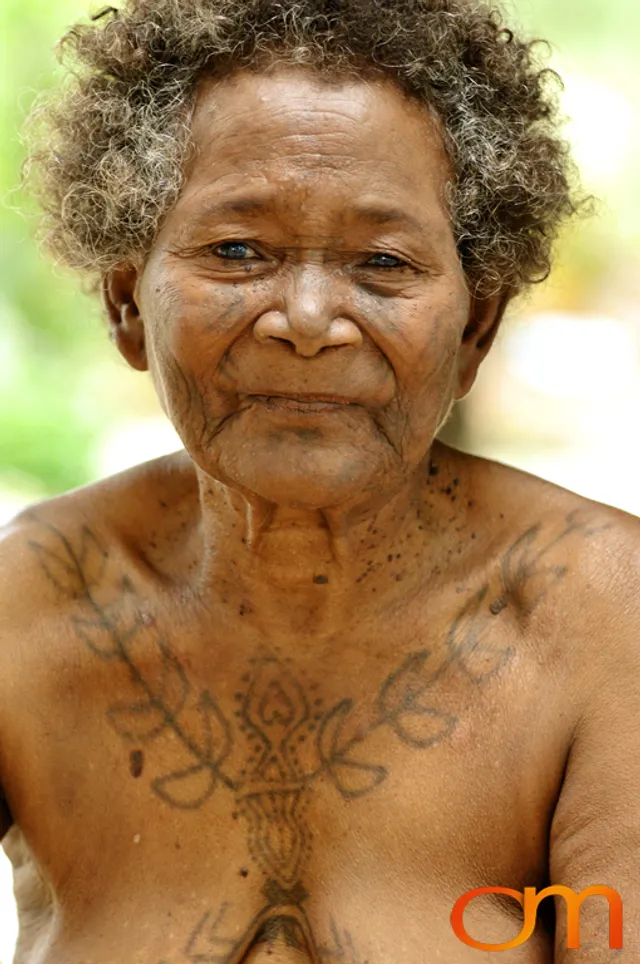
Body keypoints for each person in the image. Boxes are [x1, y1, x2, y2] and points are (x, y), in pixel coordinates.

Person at [1, 1, 638, 962]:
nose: (304, 318)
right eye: (237, 251)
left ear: (477, 327)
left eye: (381, 262)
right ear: (127, 302)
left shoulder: (602, 620)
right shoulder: (28, 605)